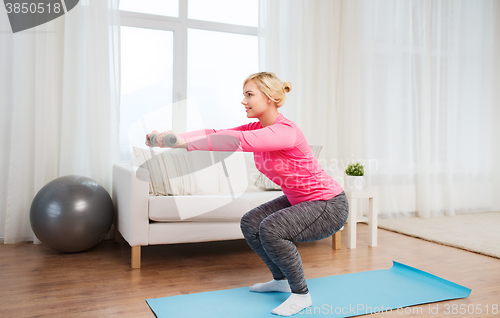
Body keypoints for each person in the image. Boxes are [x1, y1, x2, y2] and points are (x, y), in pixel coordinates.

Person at [146, 72, 348, 316]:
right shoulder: (257, 127)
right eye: (244, 95)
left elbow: (235, 141)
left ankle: (301, 294)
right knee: (251, 222)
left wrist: (182, 143)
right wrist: (173, 139)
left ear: (270, 98)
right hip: (302, 200)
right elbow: (216, 132)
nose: (243, 101)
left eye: (249, 95)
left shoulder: (285, 131)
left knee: (272, 229)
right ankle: (281, 280)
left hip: (328, 205)